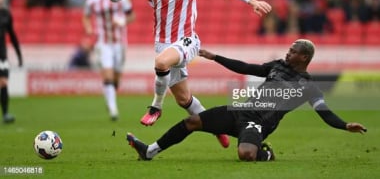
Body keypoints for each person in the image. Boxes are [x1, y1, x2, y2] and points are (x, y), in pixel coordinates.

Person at [95, 0, 272, 147]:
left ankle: (156, 106)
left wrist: (252, 1)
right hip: (163, 43)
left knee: (161, 63)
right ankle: (216, 128)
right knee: (183, 99)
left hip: (188, 40)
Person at [126, 39, 367, 161]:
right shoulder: (277, 66)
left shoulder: (309, 86)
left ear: (304, 57)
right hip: (240, 111)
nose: (288, 53)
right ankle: (150, 151)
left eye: (293, 51)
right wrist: (215, 56)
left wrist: (345, 125)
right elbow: (247, 67)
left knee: (246, 155)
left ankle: (267, 155)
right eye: (289, 49)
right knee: (192, 122)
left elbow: (324, 112)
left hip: (258, 124)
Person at [84, 0, 136, 121]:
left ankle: (110, 99)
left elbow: (132, 16)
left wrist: (121, 22)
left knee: (116, 79)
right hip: (103, 43)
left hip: (119, 43)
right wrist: (88, 28)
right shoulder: (92, 1)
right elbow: (86, 15)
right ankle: (113, 110)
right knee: (107, 75)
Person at [0, 0, 23, 123]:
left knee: (3, 82)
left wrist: (19, 55)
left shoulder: (6, 14)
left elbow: (13, 36)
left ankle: (5, 114)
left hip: (2, 55)